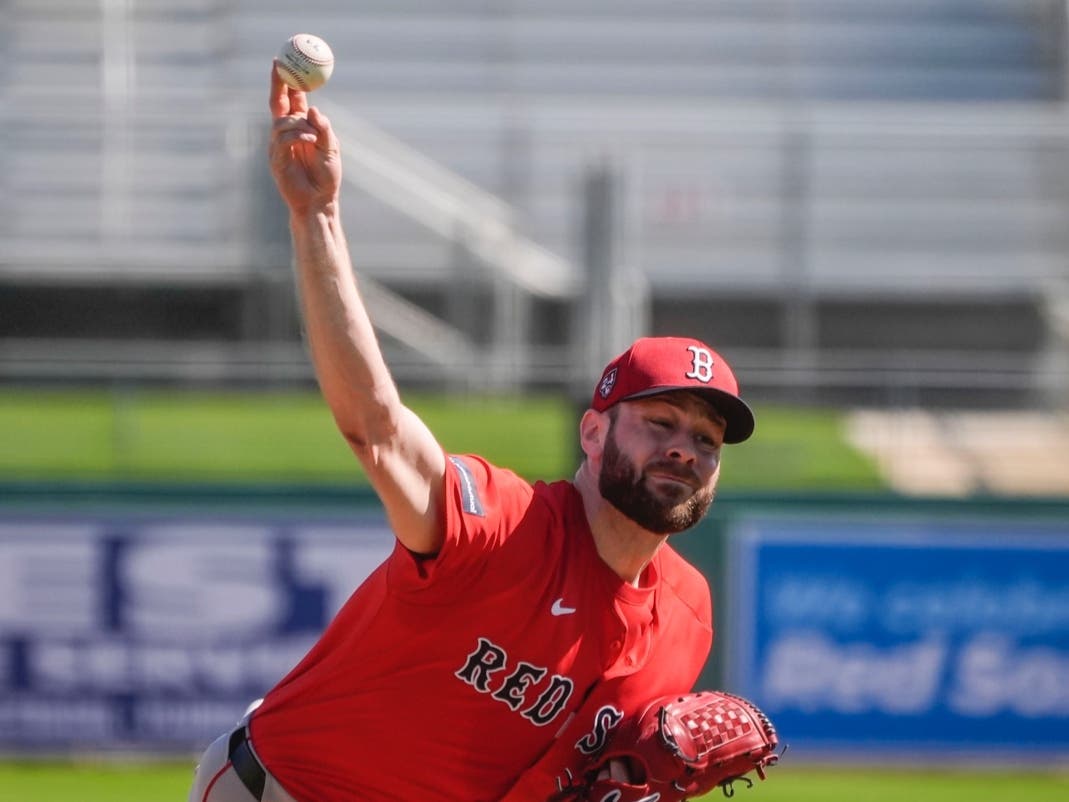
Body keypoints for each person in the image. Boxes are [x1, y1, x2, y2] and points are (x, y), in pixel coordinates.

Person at [187, 63, 756, 802]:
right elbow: (378, 430)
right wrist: (316, 217)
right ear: (592, 433)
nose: (684, 448)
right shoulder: (500, 522)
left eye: (707, 440)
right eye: (658, 423)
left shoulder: (686, 615)